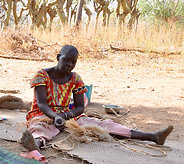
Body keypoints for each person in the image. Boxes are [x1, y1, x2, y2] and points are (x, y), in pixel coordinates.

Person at [21, 45, 173, 157]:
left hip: (68, 116)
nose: (69, 65)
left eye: (73, 62)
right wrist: (56, 117)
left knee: (102, 125)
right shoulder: (42, 75)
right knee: (41, 128)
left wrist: (65, 116)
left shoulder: (75, 78)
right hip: (43, 114)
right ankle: (35, 145)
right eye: (66, 60)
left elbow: (80, 106)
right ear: (58, 57)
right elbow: (41, 104)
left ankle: (152, 136)